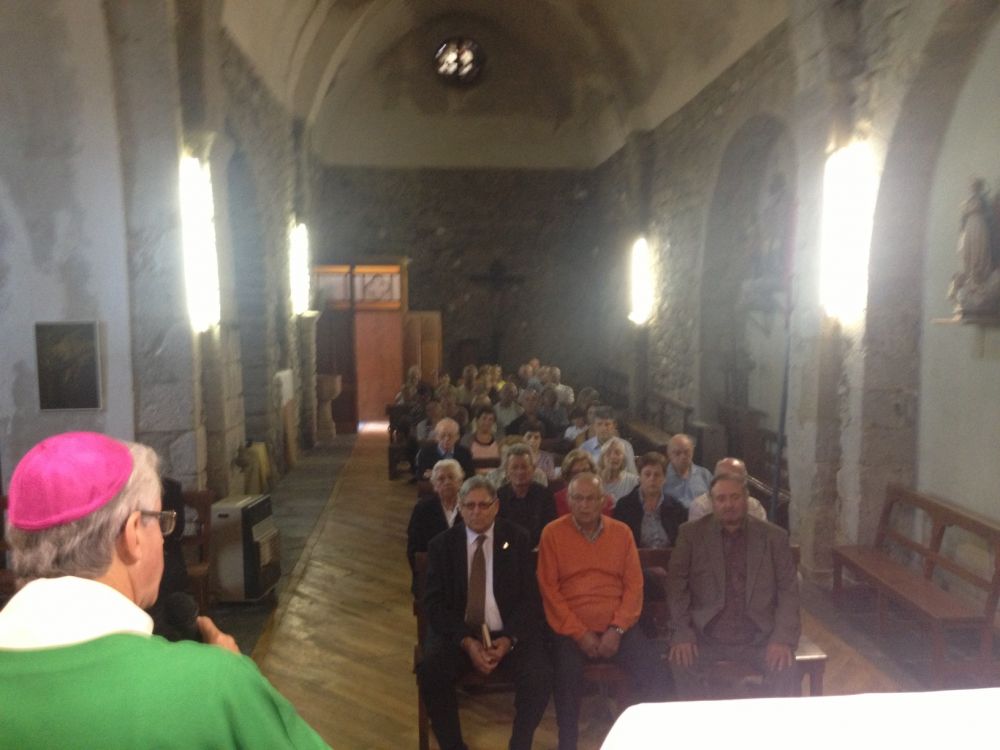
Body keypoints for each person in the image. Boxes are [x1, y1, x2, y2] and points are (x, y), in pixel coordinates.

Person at [0, 431, 328, 749]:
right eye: (160, 520)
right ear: (133, 535)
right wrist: (237, 679)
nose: (162, 536)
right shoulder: (213, 686)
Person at [537, 473, 672, 750]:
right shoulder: (552, 533)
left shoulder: (621, 532)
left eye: (590, 499)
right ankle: (568, 744)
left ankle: (652, 741)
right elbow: (550, 591)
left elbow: (634, 586)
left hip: (618, 627)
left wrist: (618, 629)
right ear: (568, 501)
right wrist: (579, 634)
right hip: (571, 629)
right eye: (577, 498)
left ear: (603, 501)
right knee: (565, 676)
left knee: (657, 674)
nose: (584, 505)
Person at [418, 477, 551, 750]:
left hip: (507, 633)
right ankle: (453, 745)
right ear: (460, 507)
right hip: (459, 634)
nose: (476, 512)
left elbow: (530, 600)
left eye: (483, 505)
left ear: (496, 506)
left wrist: (509, 640)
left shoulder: (516, 539)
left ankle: (520, 743)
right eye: (469, 506)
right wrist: (467, 642)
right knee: (431, 670)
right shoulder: (442, 545)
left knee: (540, 673)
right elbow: (433, 605)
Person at [666, 472, 801, 699]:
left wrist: (782, 638)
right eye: (721, 499)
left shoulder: (773, 538)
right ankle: (699, 728)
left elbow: (789, 590)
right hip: (707, 636)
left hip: (758, 637)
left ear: (746, 498)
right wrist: (683, 633)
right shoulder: (691, 535)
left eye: (735, 497)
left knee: (784, 665)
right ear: (712, 502)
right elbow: (676, 586)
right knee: (681, 661)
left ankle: (773, 729)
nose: (728, 504)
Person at [407, 459, 465, 593]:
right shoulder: (422, 509)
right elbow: (414, 549)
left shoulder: (470, 506)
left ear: (460, 482)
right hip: (432, 576)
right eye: (441, 479)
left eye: (451, 477)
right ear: (434, 486)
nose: (447, 482)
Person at [613, 452, 687, 550]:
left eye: (657, 475)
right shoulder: (624, 506)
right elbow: (619, 544)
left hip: (669, 562)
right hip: (636, 562)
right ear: (639, 477)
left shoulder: (677, 508)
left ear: (664, 478)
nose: (652, 479)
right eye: (647, 474)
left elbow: (683, 544)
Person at [496, 444, 556, 548]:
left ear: (533, 469)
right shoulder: (499, 496)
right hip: (507, 551)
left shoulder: (545, 495)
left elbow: (550, 529)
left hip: (538, 551)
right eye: (515, 467)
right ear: (506, 470)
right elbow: (498, 532)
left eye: (524, 467)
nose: (520, 472)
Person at [688, 457, 768, 522]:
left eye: (737, 480)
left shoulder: (754, 507)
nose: (729, 505)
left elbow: (764, 538)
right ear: (716, 480)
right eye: (726, 479)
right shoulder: (701, 507)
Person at [553, 450, 614, 517]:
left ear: (593, 472)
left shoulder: (606, 501)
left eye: (585, 471)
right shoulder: (555, 501)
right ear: (567, 476)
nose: (582, 476)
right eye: (575, 473)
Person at [579, 407, 637, 474]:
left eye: (607, 424)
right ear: (593, 426)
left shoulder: (626, 446)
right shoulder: (584, 448)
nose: (603, 428)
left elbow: (632, 473)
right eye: (599, 424)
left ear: (614, 425)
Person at [664, 433, 712, 509]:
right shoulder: (662, 476)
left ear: (692, 452)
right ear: (669, 454)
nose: (683, 456)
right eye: (677, 453)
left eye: (686, 452)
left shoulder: (704, 474)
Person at [597, 437, 638, 503]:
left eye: (618, 453)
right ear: (602, 458)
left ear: (623, 458)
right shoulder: (595, 481)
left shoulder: (633, 482)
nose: (613, 456)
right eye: (608, 452)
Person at [460, 406, 500, 471]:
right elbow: (463, 464)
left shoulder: (499, 441)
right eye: (484, 418)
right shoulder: (466, 440)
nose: (487, 422)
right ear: (477, 420)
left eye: (490, 419)